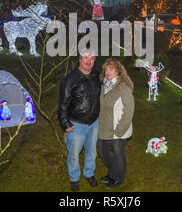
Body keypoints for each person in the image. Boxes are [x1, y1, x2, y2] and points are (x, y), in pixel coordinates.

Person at [57, 50, 101, 191]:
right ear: (80, 59)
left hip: (94, 123)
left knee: (91, 151)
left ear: (94, 60)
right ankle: (74, 178)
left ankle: (89, 173)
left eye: (92, 58)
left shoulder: (96, 76)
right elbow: (63, 104)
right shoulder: (69, 80)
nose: (88, 61)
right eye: (85, 58)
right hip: (76, 124)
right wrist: (65, 124)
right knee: (74, 154)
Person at [97, 58, 134, 189]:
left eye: (111, 69)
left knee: (118, 152)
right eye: (106, 69)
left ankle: (118, 178)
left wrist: (120, 130)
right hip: (105, 127)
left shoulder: (123, 88)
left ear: (118, 71)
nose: (108, 72)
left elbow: (129, 111)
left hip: (119, 128)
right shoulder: (105, 85)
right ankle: (112, 172)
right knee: (102, 149)